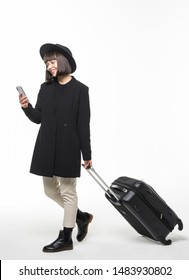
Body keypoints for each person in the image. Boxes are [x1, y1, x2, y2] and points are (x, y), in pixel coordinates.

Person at [19, 43, 93, 253]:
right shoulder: (46, 88)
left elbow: (83, 124)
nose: (49, 66)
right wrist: (27, 107)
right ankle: (81, 217)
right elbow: (39, 118)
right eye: (46, 63)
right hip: (47, 145)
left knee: (68, 192)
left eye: (51, 62)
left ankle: (66, 237)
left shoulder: (80, 90)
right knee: (50, 190)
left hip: (69, 146)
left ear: (63, 61)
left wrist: (87, 154)